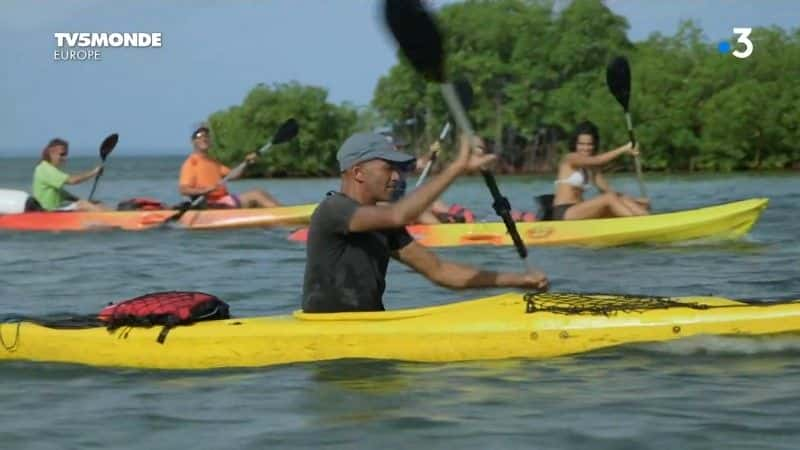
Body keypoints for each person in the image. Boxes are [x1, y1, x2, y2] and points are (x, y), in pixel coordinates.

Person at [302, 132, 549, 313]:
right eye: (389, 168)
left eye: (399, 169)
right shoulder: (334, 209)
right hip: (328, 328)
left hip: (370, 326)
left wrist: (518, 280)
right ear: (358, 173)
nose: (397, 177)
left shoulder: (384, 226)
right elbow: (398, 214)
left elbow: (442, 272)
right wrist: (457, 168)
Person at [552, 121, 650, 220]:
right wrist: (624, 149)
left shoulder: (591, 168)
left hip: (580, 212)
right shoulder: (570, 158)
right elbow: (598, 160)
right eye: (581, 144)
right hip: (564, 213)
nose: (585, 148)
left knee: (620, 199)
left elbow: (609, 191)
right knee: (608, 198)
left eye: (589, 144)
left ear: (594, 145)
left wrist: (635, 201)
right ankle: (638, 222)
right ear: (575, 144)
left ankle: (647, 219)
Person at [178, 126, 281, 208]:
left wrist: (247, 163)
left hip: (224, 200)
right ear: (193, 141)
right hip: (209, 204)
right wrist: (204, 190)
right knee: (256, 195)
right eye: (200, 136)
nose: (204, 138)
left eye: (207, 136)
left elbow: (234, 175)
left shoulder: (213, 162)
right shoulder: (191, 163)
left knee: (259, 192)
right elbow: (184, 190)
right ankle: (285, 216)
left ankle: (284, 213)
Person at [31, 138, 108, 212]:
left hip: (55, 210)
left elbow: (62, 194)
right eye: (62, 154)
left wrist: (81, 200)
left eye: (66, 154)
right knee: (83, 205)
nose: (65, 158)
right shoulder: (45, 169)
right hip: (46, 212)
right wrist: (94, 172)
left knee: (96, 203)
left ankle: (115, 215)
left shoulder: (50, 170)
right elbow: (72, 180)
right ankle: (112, 219)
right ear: (51, 153)